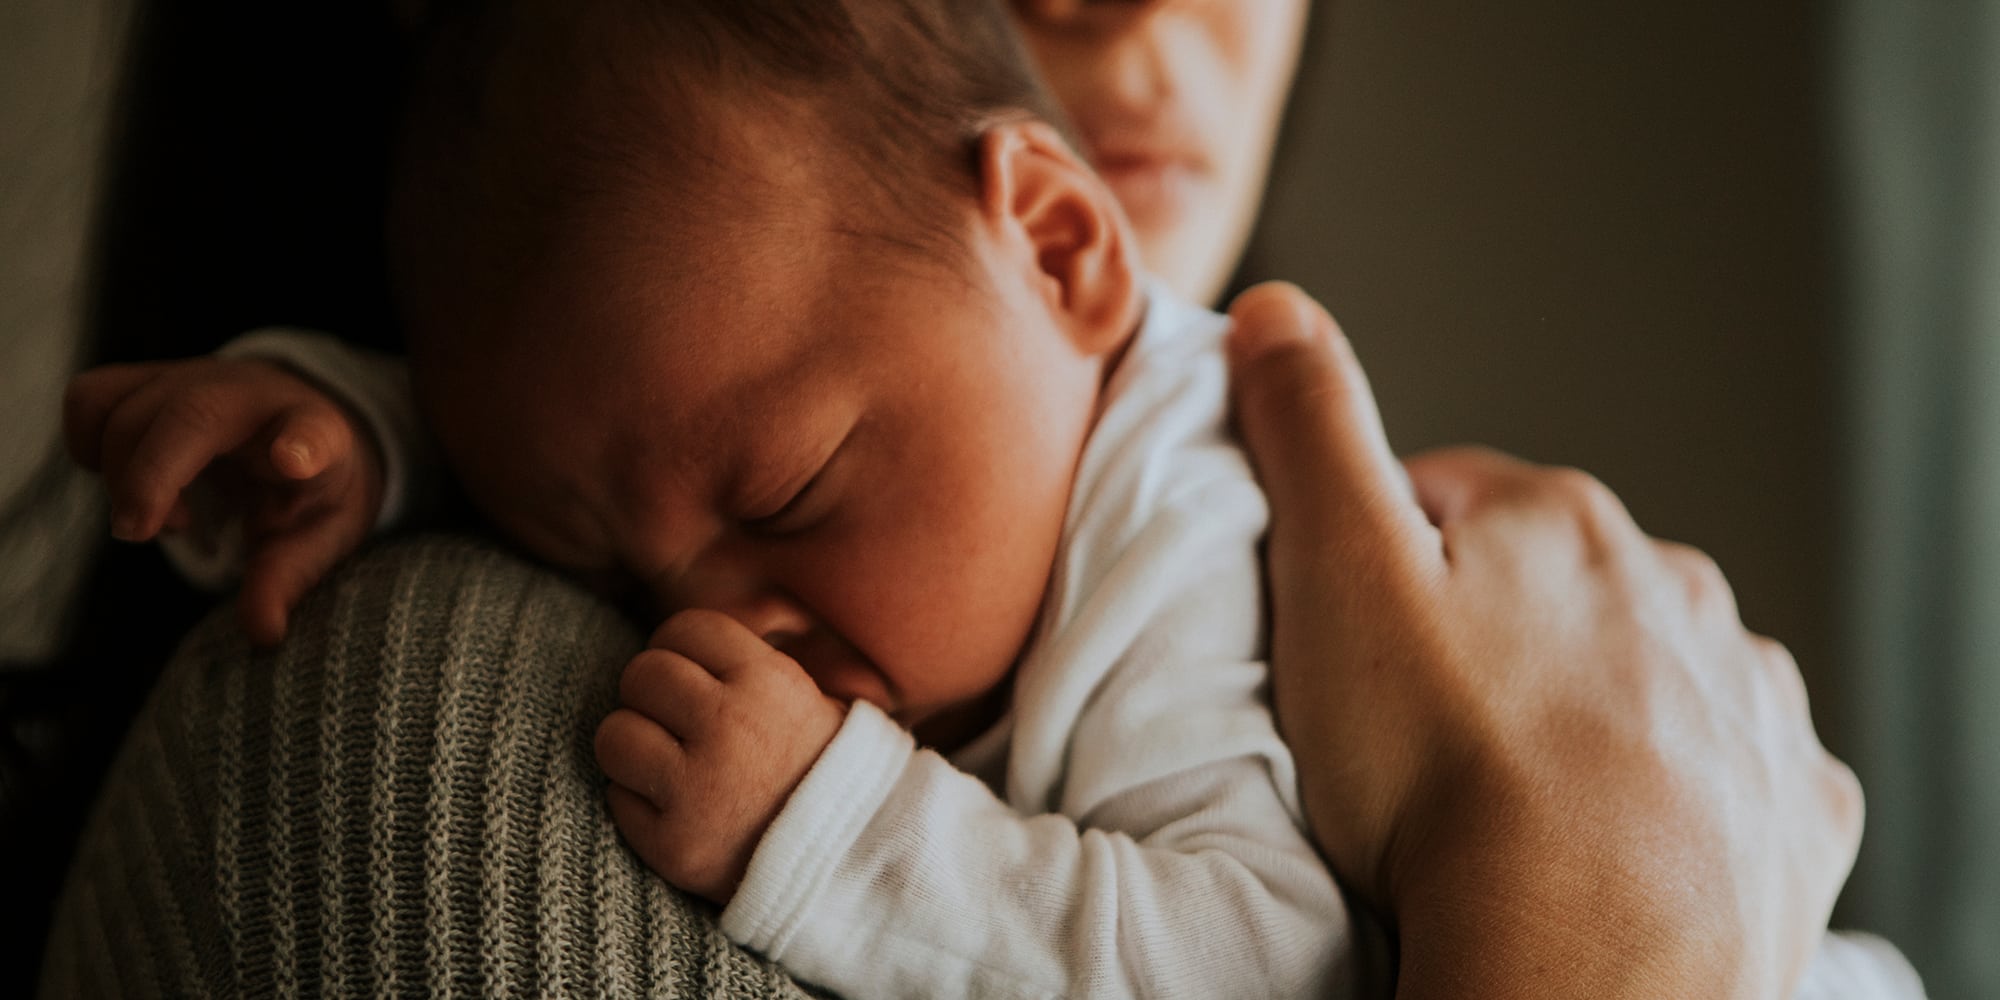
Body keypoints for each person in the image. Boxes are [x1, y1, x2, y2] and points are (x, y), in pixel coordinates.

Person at [39, 1, 1892, 996]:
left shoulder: (1179, 535)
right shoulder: (403, 729)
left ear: (1061, 246)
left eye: (795, 488)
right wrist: (360, 430)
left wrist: (836, 837)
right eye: (593, 563)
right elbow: (655, 410)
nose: (700, 618)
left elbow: (1264, 962)